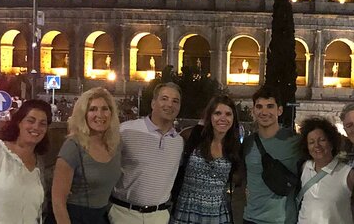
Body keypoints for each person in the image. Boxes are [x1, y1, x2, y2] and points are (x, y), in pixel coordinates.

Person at [110, 82, 183, 224]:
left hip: (159, 216)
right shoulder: (126, 131)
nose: (170, 104)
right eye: (164, 98)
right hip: (124, 214)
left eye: (175, 101)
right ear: (153, 103)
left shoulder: (178, 142)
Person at [51, 87, 122, 224]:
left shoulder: (116, 145)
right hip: (74, 217)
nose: (100, 114)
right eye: (92, 109)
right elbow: (58, 201)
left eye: (105, 109)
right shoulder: (73, 146)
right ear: (83, 115)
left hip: (101, 217)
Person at [170, 95, 242, 224]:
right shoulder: (191, 137)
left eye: (228, 114)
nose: (223, 118)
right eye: (217, 113)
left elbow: (238, 178)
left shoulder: (234, 147)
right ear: (210, 116)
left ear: (233, 119)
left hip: (218, 214)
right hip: (187, 211)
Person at [243, 85, 300, 224]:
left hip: (284, 220)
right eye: (259, 106)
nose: (264, 111)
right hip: (251, 219)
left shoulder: (295, 142)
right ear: (253, 111)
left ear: (279, 110)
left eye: (270, 106)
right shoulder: (248, 143)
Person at [297, 117, 354, 224]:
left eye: (322, 140)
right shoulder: (305, 167)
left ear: (331, 143)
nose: (317, 146)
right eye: (311, 142)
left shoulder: (349, 174)